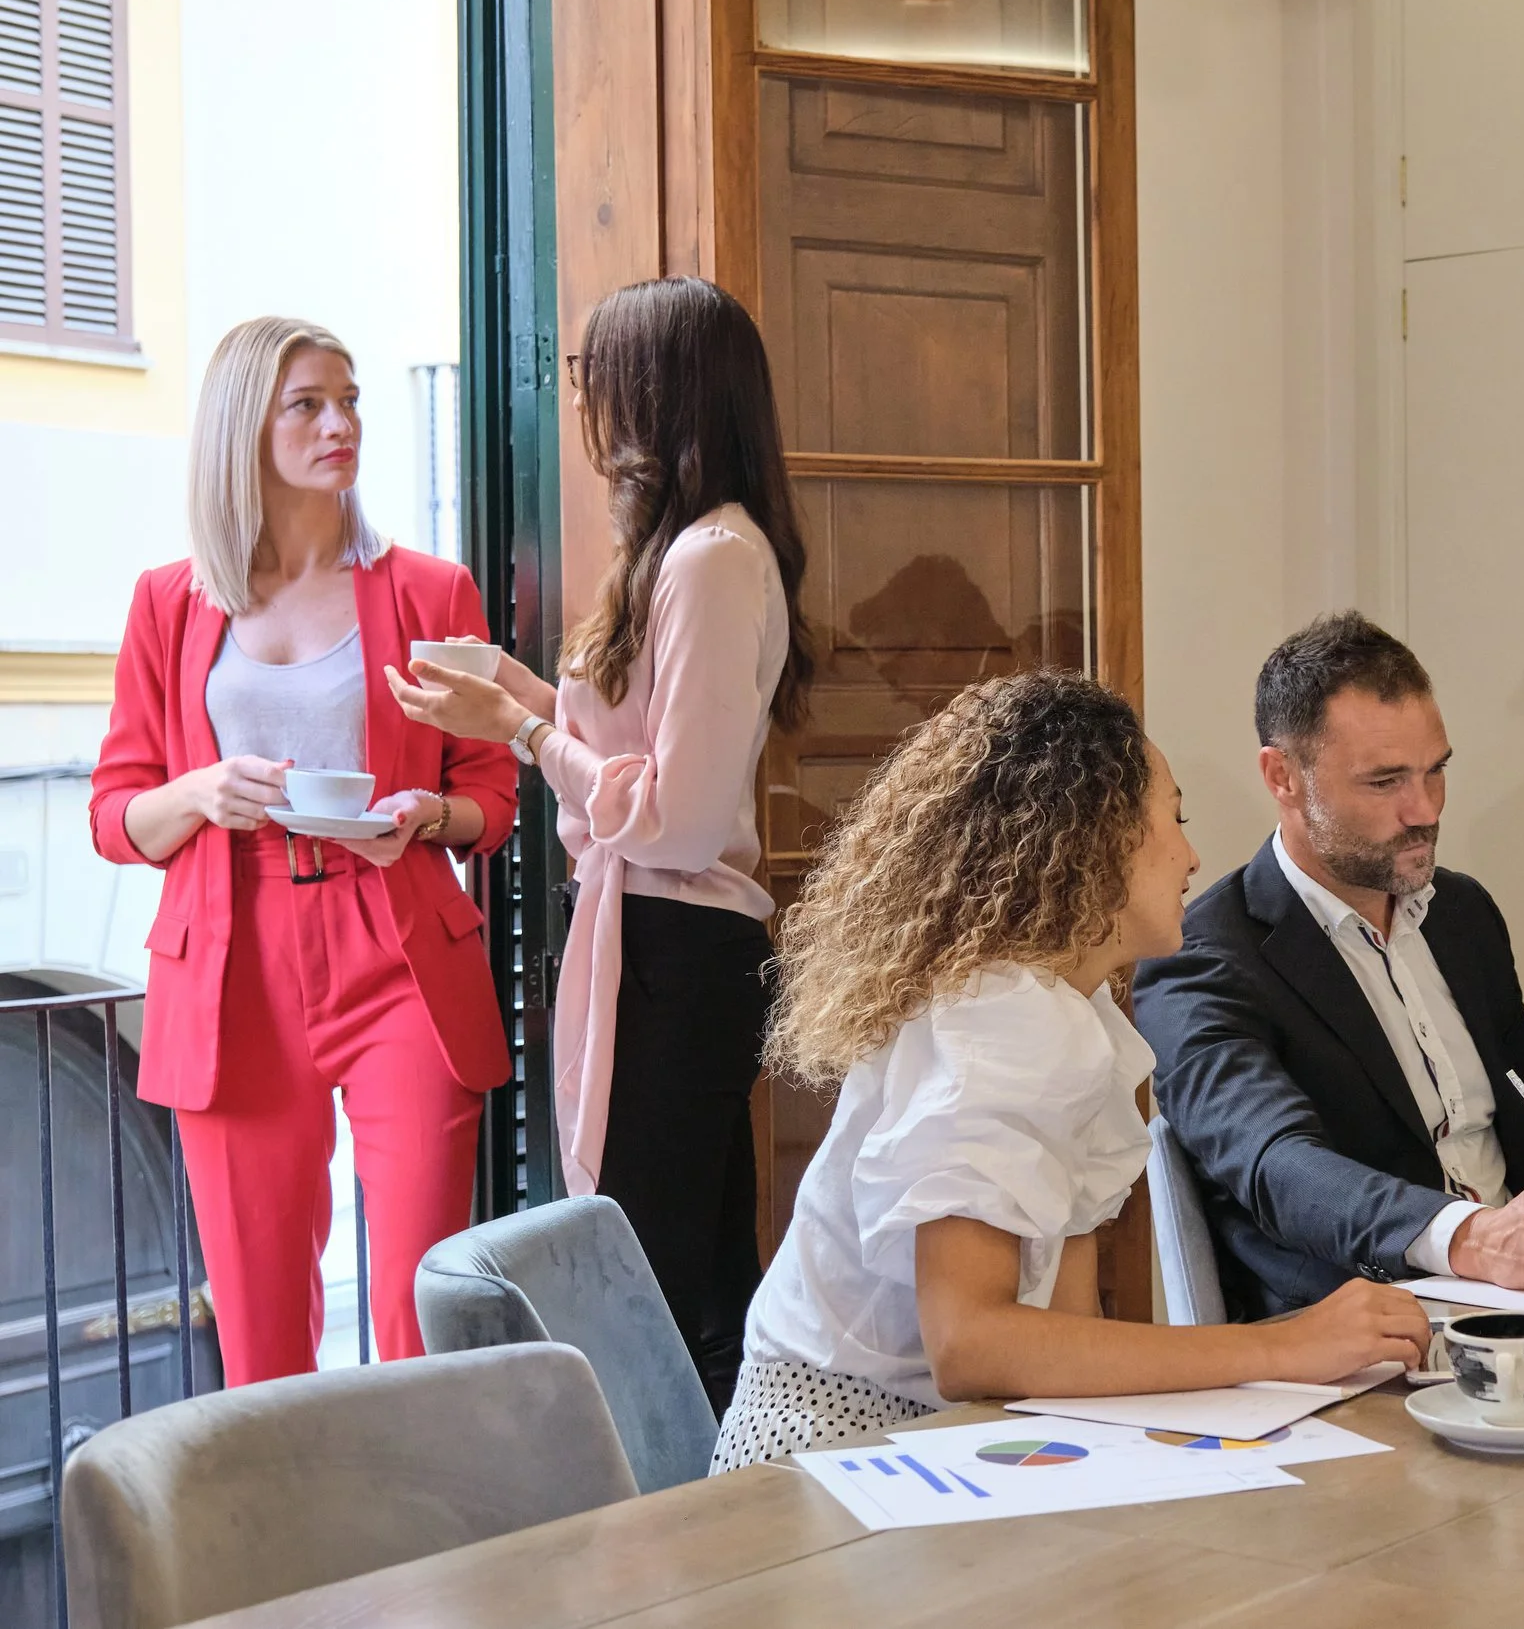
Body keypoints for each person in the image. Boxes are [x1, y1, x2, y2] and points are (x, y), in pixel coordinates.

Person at [707, 670, 1431, 1469]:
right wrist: (1282, 1346)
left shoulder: (1065, 1017)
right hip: (840, 1453)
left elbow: (1067, 1335)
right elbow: (970, 1342)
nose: (1192, 855)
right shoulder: (993, 1023)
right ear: (1095, 838)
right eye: (1174, 817)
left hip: (957, 1435)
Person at [389, 276, 812, 1412]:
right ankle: (717, 1513)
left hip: (680, 942)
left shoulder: (712, 560)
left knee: (654, 1280)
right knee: (691, 1272)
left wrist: (521, 728)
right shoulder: (681, 552)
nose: (584, 400)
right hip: (661, 936)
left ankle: (679, 1527)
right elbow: (630, 755)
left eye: (593, 374)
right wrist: (511, 690)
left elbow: (674, 810)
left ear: (652, 394)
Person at [88, 316, 516, 1384]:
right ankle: (293, 1550)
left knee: (425, 1306)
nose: (342, 424)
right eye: (309, 404)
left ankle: (438, 1544)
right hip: (233, 956)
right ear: (248, 427)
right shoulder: (170, 602)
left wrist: (425, 816)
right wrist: (199, 791)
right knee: (260, 1327)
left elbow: (491, 792)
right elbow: (115, 815)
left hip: (397, 938)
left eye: (352, 399)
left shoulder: (428, 590)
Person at [1133, 614, 1524, 1323]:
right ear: (1282, 776)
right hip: (1359, 1321)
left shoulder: (1461, 912)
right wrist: (1472, 1235)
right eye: (1385, 782)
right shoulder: (1204, 954)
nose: (1424, 810)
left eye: (1435, 770)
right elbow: (1278, 1164)